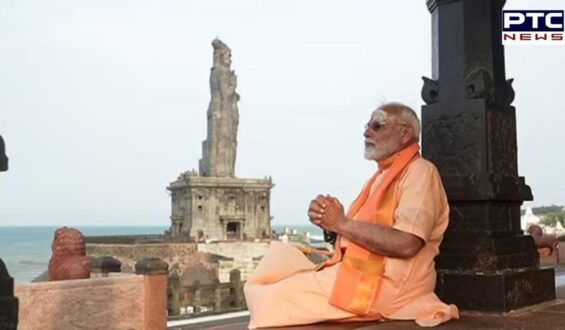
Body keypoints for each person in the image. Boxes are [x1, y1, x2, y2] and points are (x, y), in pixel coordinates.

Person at [244, 102, 459, 328]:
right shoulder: (379, 178)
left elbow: (407, 243)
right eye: (367, 126)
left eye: (377, 126)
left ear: (404, 134)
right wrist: (328, 223)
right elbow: (358, 237)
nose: (367, 132)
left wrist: (341, 223)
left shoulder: (420, 172)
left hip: (390, 286)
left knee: (269, 297)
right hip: (364, 276)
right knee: (272, 273)